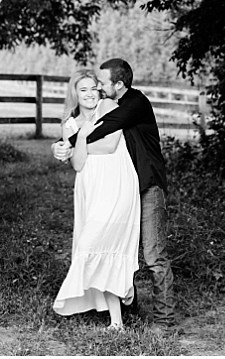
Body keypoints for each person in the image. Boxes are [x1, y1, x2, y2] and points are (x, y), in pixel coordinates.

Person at [53, 58, 175, 333]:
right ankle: (126, 307)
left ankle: (164, 323)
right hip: (123, 186)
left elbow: (104, 134)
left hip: (148, 185)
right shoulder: (111, 104)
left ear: (118, 85)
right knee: (121, 245)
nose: (96, 87)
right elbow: (84, 130)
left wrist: (67, 144)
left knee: (154, 255)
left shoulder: (132, 104)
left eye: (101, 83)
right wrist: (60, 145)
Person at [52, 68, 141, 331]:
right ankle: (117, 321)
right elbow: (78, 164)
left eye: (93, 87)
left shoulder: (109, 106)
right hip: (90, 186)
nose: (90, 94)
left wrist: (79, 142)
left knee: (98, 243)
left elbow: (111, 144)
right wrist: (79, 136)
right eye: (83, 89)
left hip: (117, 180)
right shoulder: (69, 123)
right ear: (75, 94)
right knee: (93, 247)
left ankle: (124, 285)